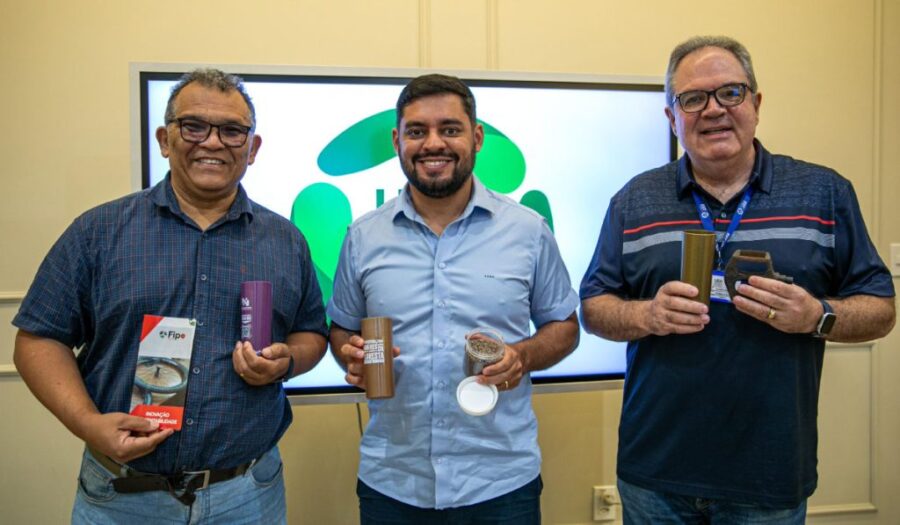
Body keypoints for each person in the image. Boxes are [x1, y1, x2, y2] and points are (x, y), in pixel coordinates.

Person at [580, 35, 896, 523]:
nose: (713, 110)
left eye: (730, 92)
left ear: (756, 103)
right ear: (671, 118)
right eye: (692, 98)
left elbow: (880, 308)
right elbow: (594, 307)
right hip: (655, 473)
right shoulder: (634, 200)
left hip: (768, 474)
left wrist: (817, 316)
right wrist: (648, 315)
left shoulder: (824, 193)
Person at [12, 68, 328, 523]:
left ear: (253, 148)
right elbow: (38, 340)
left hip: (247, 495)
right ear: (165, 139)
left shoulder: (286, 241)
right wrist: (88, 424)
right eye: (194, 126)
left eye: (232, 131)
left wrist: (287, 361)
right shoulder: (97, 232)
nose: (213, 142)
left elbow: (311, 333)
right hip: (121, 497)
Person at [328, 73, 580, 524]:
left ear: (476, 138)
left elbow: (564, 327)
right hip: (393, 480)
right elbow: (342, 329)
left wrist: (521, 357)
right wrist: (350, 354)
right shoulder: (363, 236)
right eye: (416, 131)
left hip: (500, 482)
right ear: (397, 141)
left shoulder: (527, 230)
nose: (433, 144)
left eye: (449, 129)